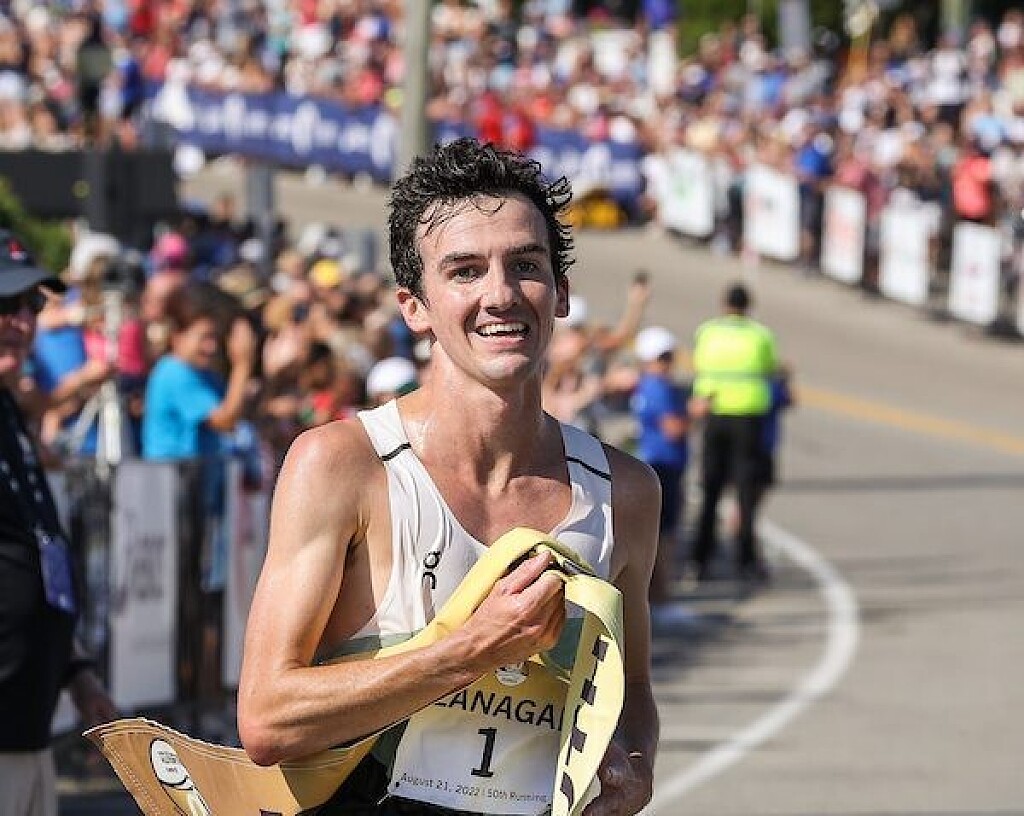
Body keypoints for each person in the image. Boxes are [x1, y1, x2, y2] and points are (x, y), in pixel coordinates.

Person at [238, 138, 659, 815]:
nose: (501, 295)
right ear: (415, 307)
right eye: (465, 271)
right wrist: (471, 650)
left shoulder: (624, 491)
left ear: (560, 294)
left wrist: (634, 770)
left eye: (526, 266)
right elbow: (267, 718)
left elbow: (633, 688)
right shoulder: (344, 465)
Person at [0, 229, 116, 815]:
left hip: (28, 728)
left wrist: (77, 673)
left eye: (31, 306)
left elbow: (31, 553)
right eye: (6, 304)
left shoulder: (8, 411)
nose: (22, 322)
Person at [689, 282, 778, 584]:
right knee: (745, 493)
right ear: (748, 306)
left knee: (710, 490)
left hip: (715, 413)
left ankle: (700, 559)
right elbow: (770, 368)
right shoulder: (760, 335)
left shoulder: (708, 332)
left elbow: (699, 364)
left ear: (724, 304)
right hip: (748, 417)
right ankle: (746, 560)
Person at [629, 326, 690, 626]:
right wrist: (696, 412)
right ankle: (662, 599)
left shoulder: (645, 385)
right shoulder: (658, 388)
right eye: (662, 357)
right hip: (663, 465)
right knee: (664, 536)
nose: (667, 363)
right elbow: (673, 428)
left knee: (661, 534)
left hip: (658, 464)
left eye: (668, 356)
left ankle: (658, 598)